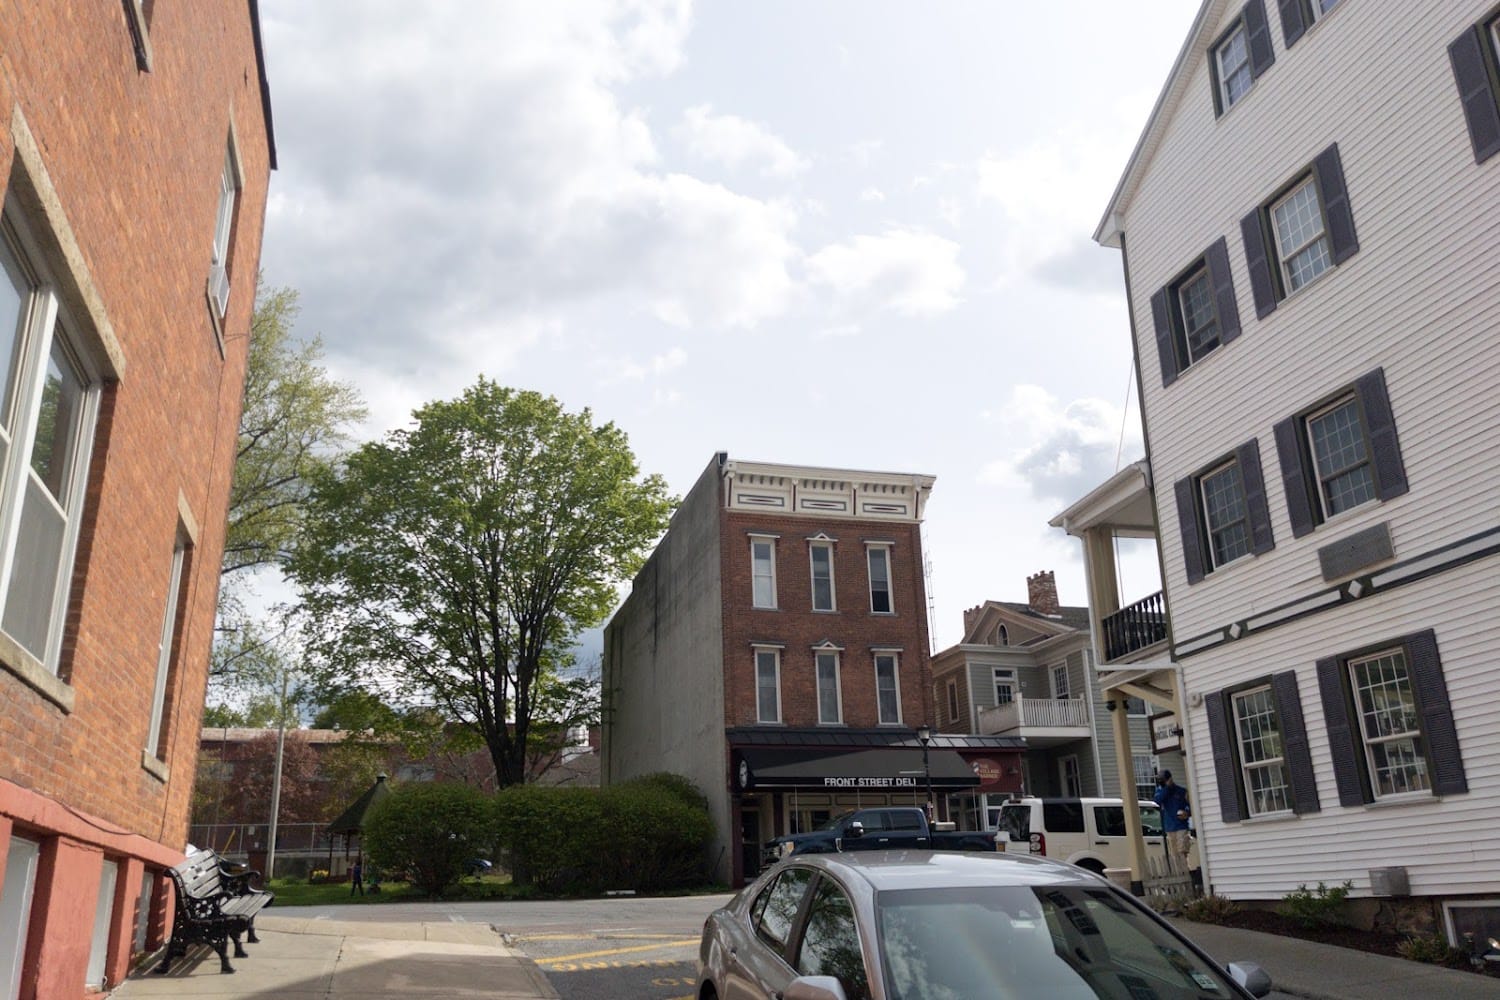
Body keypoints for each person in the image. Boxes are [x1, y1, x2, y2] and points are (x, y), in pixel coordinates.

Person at [1154, 770, 1192, 871]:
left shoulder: (1182, 791)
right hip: (1169, 827)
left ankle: (1185, 873)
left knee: (1182, 852)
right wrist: (1167, 788)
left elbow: (1190, 806)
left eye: (1163, 780)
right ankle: (1179, 874)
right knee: (1174, 855)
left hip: (1181, 826)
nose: (1161, 782)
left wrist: (1187, 813)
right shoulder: (1160, 791)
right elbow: (1157, 800)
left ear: (1169, 779)